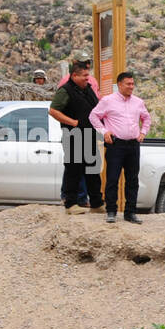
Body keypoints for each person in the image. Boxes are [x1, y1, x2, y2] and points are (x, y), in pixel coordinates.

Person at [89, 71, 151, 224]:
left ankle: (130, 213)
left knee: (132, 180)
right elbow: (93, 116)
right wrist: (104, 132)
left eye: (132, 83)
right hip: (116, 145)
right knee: (112, 179)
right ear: (120, 85)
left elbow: (146, 117)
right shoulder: (108, 100)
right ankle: (111, 211)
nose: (131, 86)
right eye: (128, 84)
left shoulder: (138, 102)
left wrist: (143, 132)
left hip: (133, 145)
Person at [49, 59, 104, 214]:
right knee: (73, 170)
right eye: (84, 75)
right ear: (74, 75)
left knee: (92, 170)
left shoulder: (88, 89)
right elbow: (53, 111)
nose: (88, 78)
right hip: (73, 135)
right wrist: (73, 122)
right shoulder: (65, 91)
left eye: (88, 75)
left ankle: (96, 203)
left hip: (90, 135)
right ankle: (71, 204)